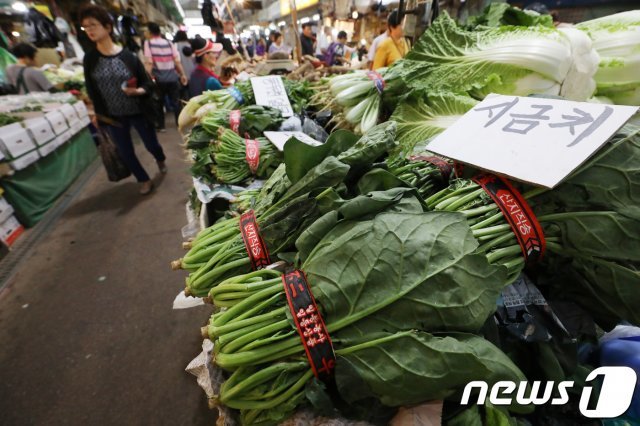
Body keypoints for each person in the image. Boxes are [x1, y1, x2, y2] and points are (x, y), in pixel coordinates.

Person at [80, 5, 166, 195]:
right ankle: (143, 179)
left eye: (93, 25)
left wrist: (139, 91)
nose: (89, 30)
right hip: (113, 116)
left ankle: (160, 158)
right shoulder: (90, 59)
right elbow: (91, 88)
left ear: (108, 27)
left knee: (152, 145)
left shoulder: (128, 57)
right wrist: (96, 113)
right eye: (85, 27)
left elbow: (147, 83)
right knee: (126, 152)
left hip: (138, 110)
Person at [143, 22, 188, 132]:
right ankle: (179, 124)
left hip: (159, 78)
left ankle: (162, 126)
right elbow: (177, 61)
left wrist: (145, 77)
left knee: (159, 102)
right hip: (172, 77)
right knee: (176, 102)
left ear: (150, 32)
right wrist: (182, 74)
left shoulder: (148, 44)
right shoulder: (169, 43)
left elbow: (149, 62)